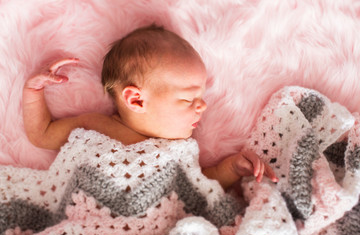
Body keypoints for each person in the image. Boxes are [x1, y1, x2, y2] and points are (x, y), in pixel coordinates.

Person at [22, 25, 278, 190]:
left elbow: (198, 185)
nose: (203, 105)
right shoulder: (94, 127)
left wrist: (231, 168)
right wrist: (33, 92)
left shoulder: (181, 150)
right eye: (189, 99)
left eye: (200, 96)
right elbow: (42, 134)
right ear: (136, 100)